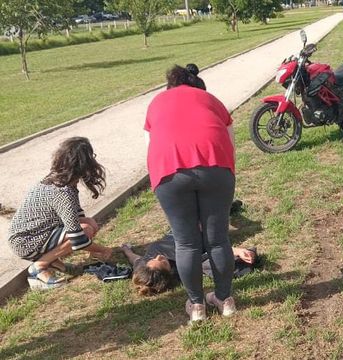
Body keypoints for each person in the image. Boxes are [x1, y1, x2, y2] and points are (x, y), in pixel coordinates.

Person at [144, 64, 236, 323]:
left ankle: (197, 306)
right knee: (218, 240)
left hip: (169, 171)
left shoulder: (157, 102)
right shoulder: (210, 100)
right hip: (216, 166)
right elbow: (230, 139)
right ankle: (225, 299)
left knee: (186, 243)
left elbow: (156, 140)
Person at [7, 137, 114, 290]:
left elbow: (76, 216)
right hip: (25, 241)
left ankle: (52, 260)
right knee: (86, 230)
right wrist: (102, 249)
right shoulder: (62, 191)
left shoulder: (61, 180)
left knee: (90, 223)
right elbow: (77, 238)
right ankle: (39, 267)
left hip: (32, 235)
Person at [120, 236, 257, 296]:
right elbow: (210, 250)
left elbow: (136, 260)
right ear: (170, 271)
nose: (158, 256)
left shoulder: (144, 268)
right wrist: (238, 250)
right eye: (163, 261)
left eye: (152, 259)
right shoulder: (185, 262)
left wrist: (127, 250)